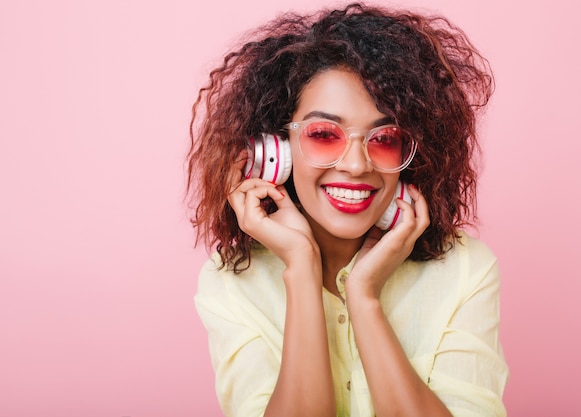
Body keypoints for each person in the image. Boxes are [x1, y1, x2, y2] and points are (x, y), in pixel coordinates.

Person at [187, 3, 509, 416]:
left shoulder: (466, 269)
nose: (357, 165)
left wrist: (364, 298)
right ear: (277, 150)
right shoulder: (233, 281)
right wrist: (301, 270)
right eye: (324, 134)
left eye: (385, 137)